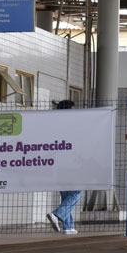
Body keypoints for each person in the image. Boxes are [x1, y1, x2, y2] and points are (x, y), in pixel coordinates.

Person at [46, 100, 82, 235]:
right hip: (70, 164)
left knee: (66, 195)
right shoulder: (70, 125)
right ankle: (57, 214)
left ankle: (68, 226)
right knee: (76, 192)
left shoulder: (53, 124)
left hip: (58, 164)